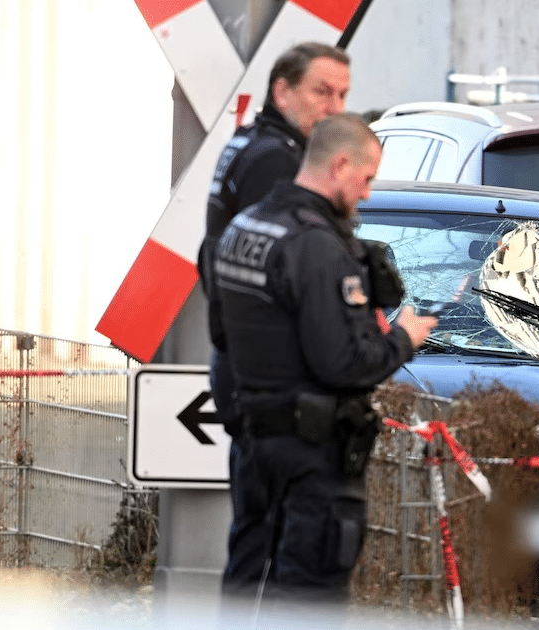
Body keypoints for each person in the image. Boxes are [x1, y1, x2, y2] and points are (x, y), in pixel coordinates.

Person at [215, 113, 438, 613]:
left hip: (256, 443)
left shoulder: (246, 226)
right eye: (366, 178)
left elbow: (224, 333)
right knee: (308, 600)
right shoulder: (314, 246)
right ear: (340, 165)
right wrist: (404, 338)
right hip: (311, 455)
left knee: (247, 583)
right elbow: (344, 363)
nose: (367, 193)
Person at [197, 41, 351, 598]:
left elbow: (211, 261)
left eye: (343, 95)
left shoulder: (252, 144)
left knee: (256, 540)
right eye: (321, 91)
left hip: (245, 372)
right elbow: (265, 280)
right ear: (281, 90)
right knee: (276, 552)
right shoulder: (277, 163)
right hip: (266, 381)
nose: (334, 107)